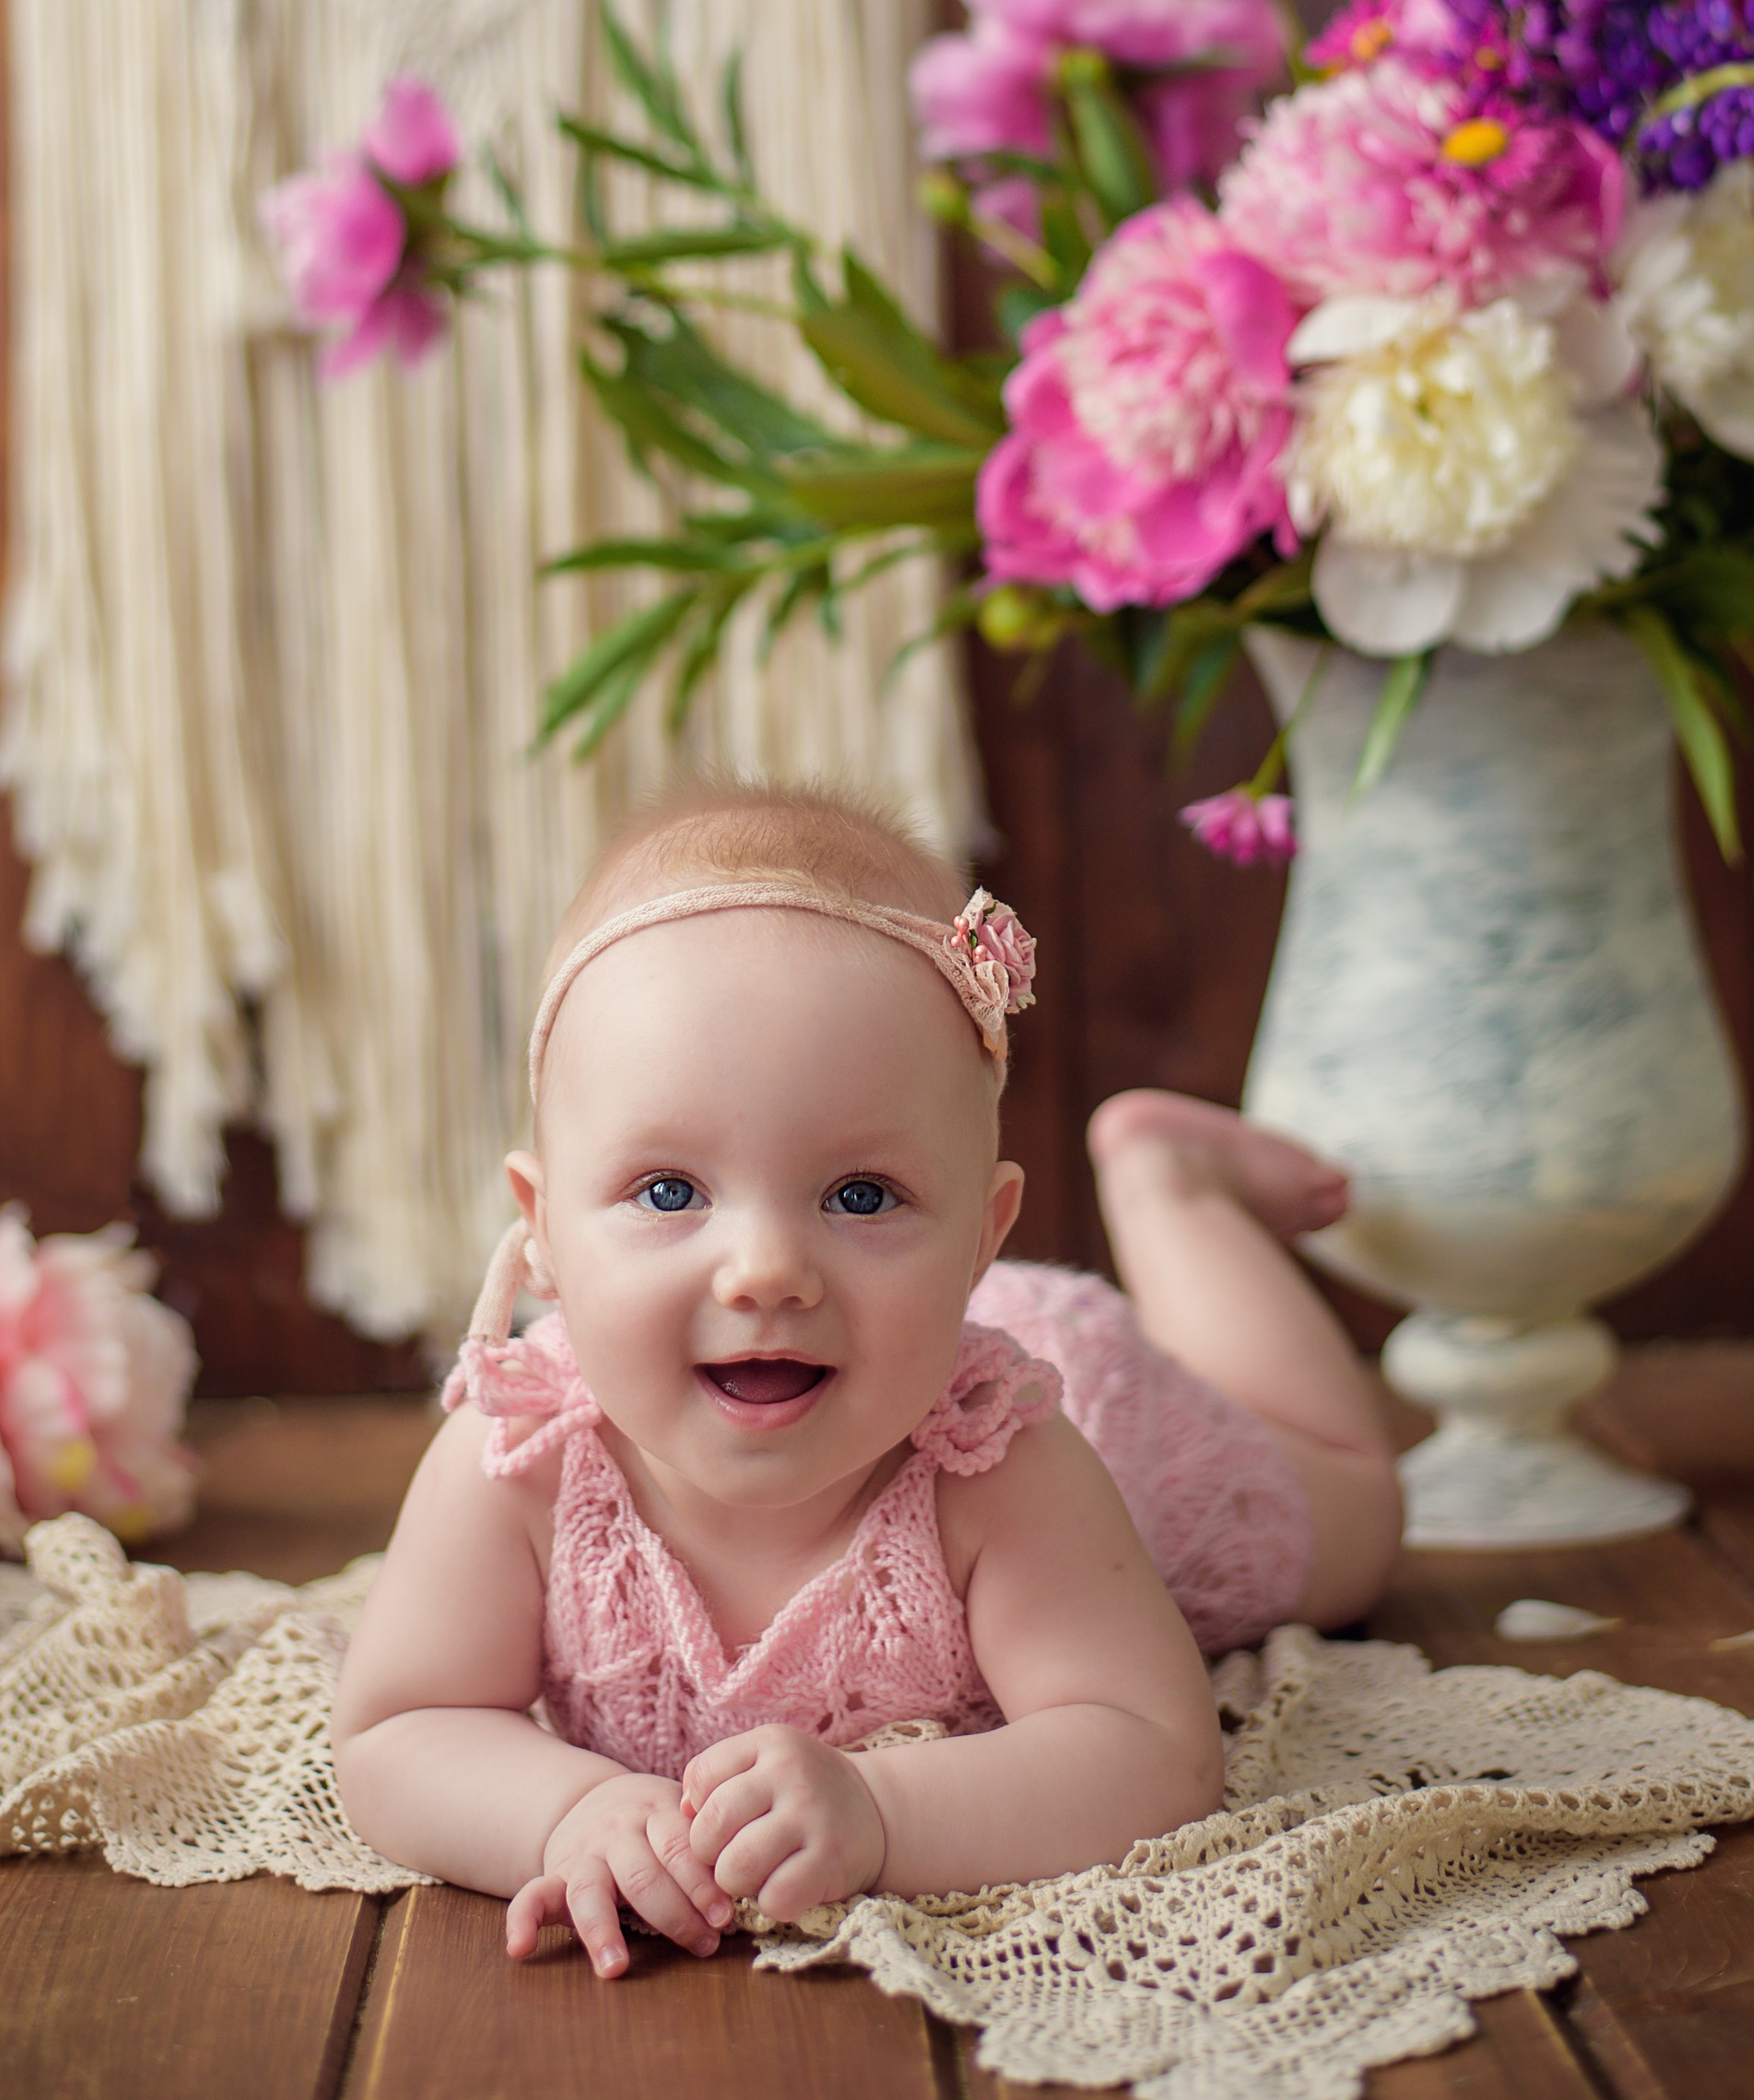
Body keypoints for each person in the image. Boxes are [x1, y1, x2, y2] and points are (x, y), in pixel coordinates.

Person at [331, 778, 1402, 1976]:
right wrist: (564, 1810)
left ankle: (1171, 1190)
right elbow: (397, 1727)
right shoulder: (520, 1452)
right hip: (894, 1341)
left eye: (862, 1195)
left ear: (982, 1234)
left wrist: (885, 1811)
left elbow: (1153, 1746)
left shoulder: (1004, 1465)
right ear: (543, 1231)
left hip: (1117, 1424)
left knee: (1359, 1512)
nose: (768, 1271)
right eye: (669, 1191)